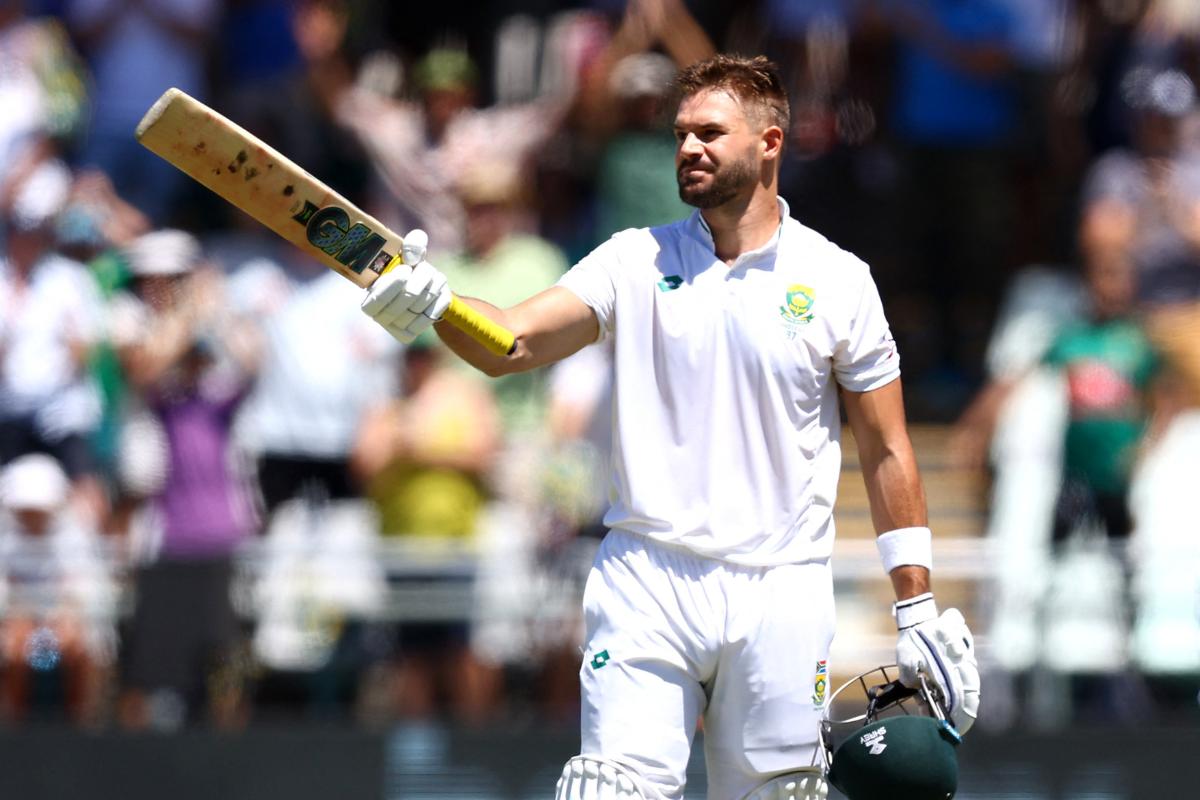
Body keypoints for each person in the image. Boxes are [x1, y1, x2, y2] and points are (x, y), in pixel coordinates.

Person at [361, 54, 980, 800]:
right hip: (647, 573)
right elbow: (515, 343)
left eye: (711, 133)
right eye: (681, 134)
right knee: (607, 791)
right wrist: (437, 306)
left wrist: (914, 606)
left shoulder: (838, 278)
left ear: (770, 143)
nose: (689, 148)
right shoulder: (633, 259)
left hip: (781, 585)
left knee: (780, 793)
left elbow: (887, 448)